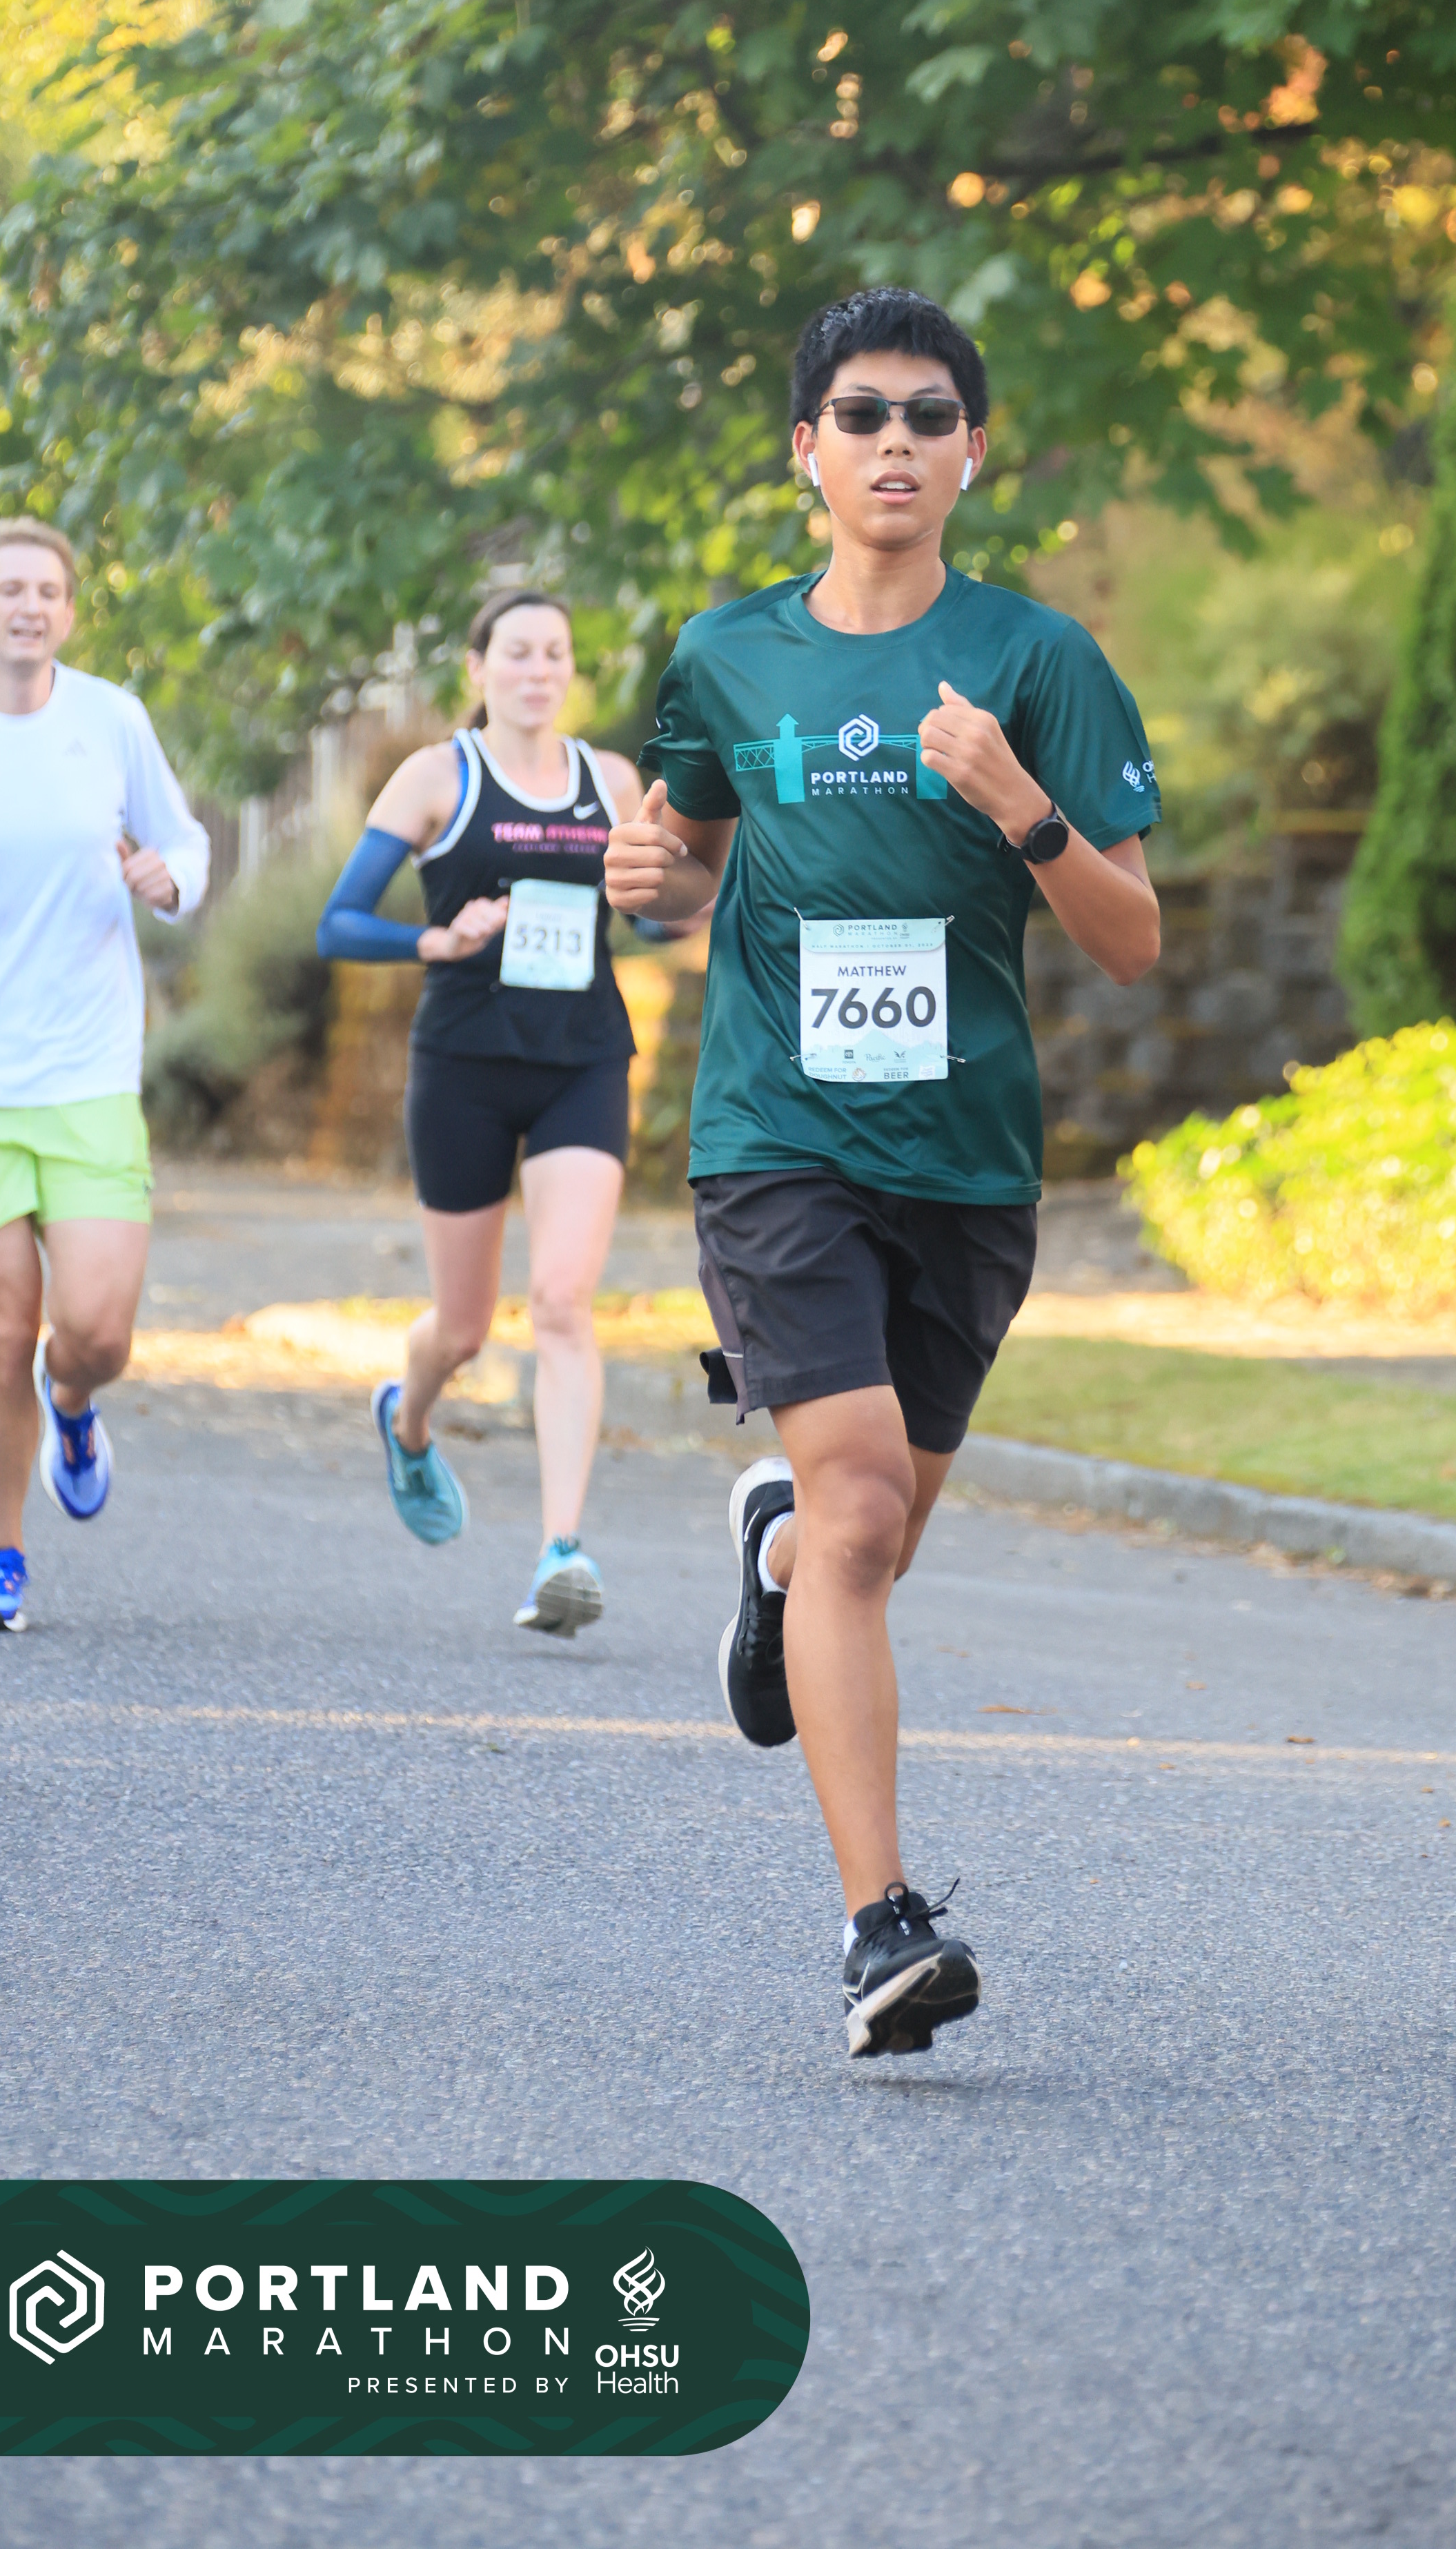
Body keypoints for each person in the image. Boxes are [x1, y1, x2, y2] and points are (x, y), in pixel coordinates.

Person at [604, 286, 1163, 2057]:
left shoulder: (1036, 661)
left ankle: (772, 1557)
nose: (894, 442)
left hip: (965, 1158)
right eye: (860, 415)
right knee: (859, 1511)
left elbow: (1131, 940)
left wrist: (1017, 802)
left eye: (928, 416)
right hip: (775, 1137)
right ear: (807, 450)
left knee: (870, 1534)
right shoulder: (725, 656)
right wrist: (650, 883)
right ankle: (880, 1931)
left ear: (972, 452)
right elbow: (683, 857)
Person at [316, 591, 648, 1633]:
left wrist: (687, 888)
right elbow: (338, 923)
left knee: (562, 1300)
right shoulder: (437, 777)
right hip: (463, 1064)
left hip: (582, 1061)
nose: (538, 670)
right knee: (462, 1328)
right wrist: (436, 940)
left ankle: (561, 1552)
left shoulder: (612, 782)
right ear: (478, 668)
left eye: (555, 653)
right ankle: (408, 1422)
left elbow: (650, 919)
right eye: (518, 652)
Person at [0, 516, 210, 1631]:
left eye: (49, 590)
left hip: (86, 1072)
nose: (30, 606)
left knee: (95, 1332)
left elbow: (187, 841)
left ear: (70, 611)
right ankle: (2, 1560)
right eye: (10, 589)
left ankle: (72, 1401)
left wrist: (169, 880)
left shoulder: (110, 720)